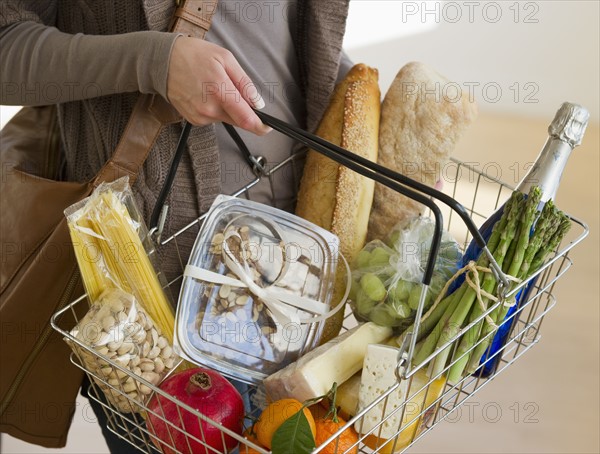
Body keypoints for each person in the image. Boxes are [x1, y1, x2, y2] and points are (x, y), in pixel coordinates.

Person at [0, 0, 352, 451]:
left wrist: (360, 97)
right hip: (159, 315)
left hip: (303, 275)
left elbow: (280, 32)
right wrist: (154, 62)